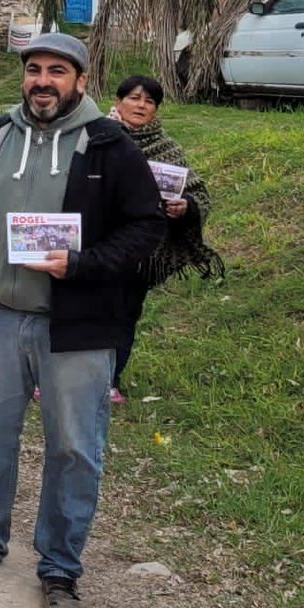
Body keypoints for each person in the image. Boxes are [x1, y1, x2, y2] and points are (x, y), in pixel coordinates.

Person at [0, 33, 166, 608]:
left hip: (77, 326)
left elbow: (146, 228)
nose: (42, 80)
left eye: (57, 71)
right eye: (34, 70)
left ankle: (60, 564)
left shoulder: (111, 145)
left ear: (81, 81)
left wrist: (81, 264)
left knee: (73, 449)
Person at [107, 75, 223, 400]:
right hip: (95, 245)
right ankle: (56, 377)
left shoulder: (168, 149)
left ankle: (109, 380)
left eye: (149, 101)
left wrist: (184, 208)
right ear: (118, 102)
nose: (141, 105)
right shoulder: (95, 135)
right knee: (83, 307)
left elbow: (199, 194)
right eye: (133, 98)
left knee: (126, 312)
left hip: (141, 252)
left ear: (156, 110)